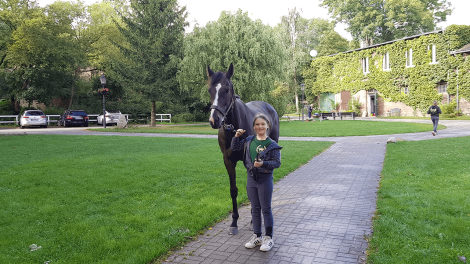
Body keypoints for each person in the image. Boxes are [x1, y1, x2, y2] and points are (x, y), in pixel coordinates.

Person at [230, 114, 282, 252]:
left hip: (264, 179)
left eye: (263, 124)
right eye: (257, 124)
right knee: (255, 208)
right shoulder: (249, 140)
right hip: (251, 178)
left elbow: (277, 163)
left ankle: (268, 238)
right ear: (254, 127)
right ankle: (257, 235)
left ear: (268, 126)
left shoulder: (272, 145)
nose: (260, 127)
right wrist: (236, 136)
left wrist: (263, 163)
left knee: (266, 208)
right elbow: (235, 148)